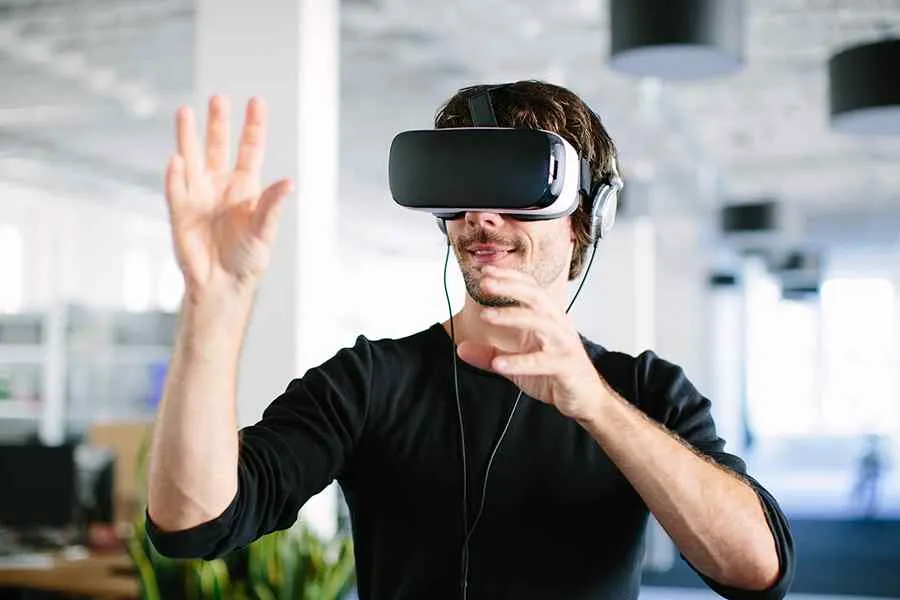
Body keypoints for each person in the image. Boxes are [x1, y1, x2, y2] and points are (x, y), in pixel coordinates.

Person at [145, 81, 795, 600]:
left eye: (517, 189)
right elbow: (193, 523)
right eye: (462, 188)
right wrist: (213, 307)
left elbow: (758, 573)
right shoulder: (370, 380)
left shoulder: (646, 391)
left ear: (585, 218)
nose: (482, 216)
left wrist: (593, 405)